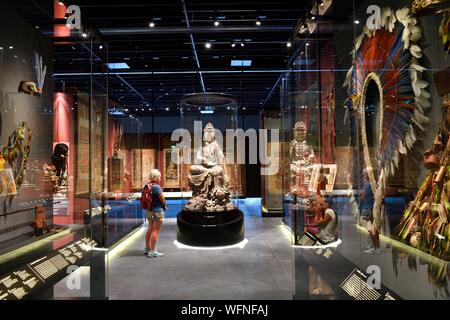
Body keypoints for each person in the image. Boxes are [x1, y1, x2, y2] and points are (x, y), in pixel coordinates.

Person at [144, 169, 167, 258]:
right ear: (155, 177)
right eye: (159, 176)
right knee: (155, 231)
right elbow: (162, 198)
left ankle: (147, 248)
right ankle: (153, 251)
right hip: (157, 211)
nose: (160, 178)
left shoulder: (147, 185)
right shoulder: (156, 187)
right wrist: (164, 204)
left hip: (149, 211)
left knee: (150, 229)